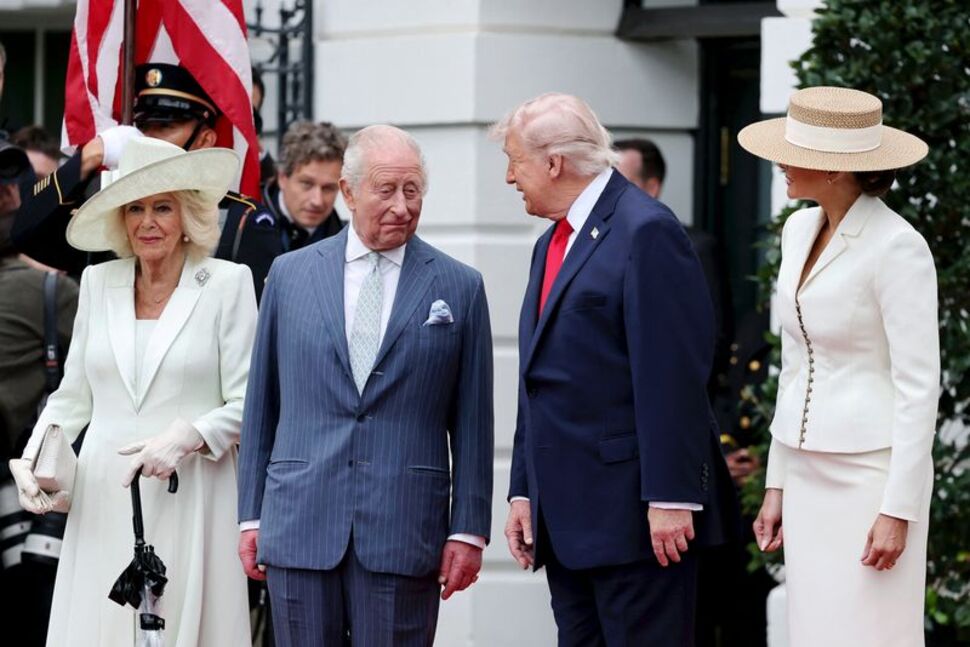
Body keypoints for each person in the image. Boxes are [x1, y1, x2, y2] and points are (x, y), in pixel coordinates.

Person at [493, 93, 737, 646]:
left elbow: (673, 375)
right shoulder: (550, 243)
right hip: (566, 522)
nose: (509, 177)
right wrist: (524, 491)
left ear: (553, 163)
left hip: (637, 523)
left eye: (514, 161)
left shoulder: (646, 230)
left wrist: (671, 498)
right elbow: (540, 380)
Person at [237, 124, 494, 646]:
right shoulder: (288, 275)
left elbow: (473, 421)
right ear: (349, 192)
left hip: (404, 528)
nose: (402, 206)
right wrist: (250, 515)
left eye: (412, 190)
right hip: (299, 520)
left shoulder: (460, 286)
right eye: (386, 190)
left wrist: (468, 528)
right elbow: (262, 403)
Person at [7, 137, 256, 646]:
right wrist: (33, 460)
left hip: (192, 492)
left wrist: (190, 435)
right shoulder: (98, 283)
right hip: (104, 494)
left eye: (163, 207)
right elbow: (72, 398)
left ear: (187, 215)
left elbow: (250, 400)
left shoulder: (227, 283)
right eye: (135, 208)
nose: (148, 222)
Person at [740, 86, 937, 647]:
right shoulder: (797, 229)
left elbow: (919, 387)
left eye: (793, 153)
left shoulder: (898, 246)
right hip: (805, 474)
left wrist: (898, 509)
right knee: (812, 630)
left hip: (870, 478)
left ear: (833, 168)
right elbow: (795, 365)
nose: (780, 162)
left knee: (870, 632)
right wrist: (776, 483)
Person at [12, 62, 267, 278]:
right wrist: (91, 155)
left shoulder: (241, 220)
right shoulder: (109, 205)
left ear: (205, 140)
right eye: (144, 126)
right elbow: (26, 233)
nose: (148, 138)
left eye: (165, 127)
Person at [216, 120, 346, 300]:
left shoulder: (347, 243)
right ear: (282, 178)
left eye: (329, 188)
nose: (317, 200)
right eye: (307, 184)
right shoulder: (240, 222)